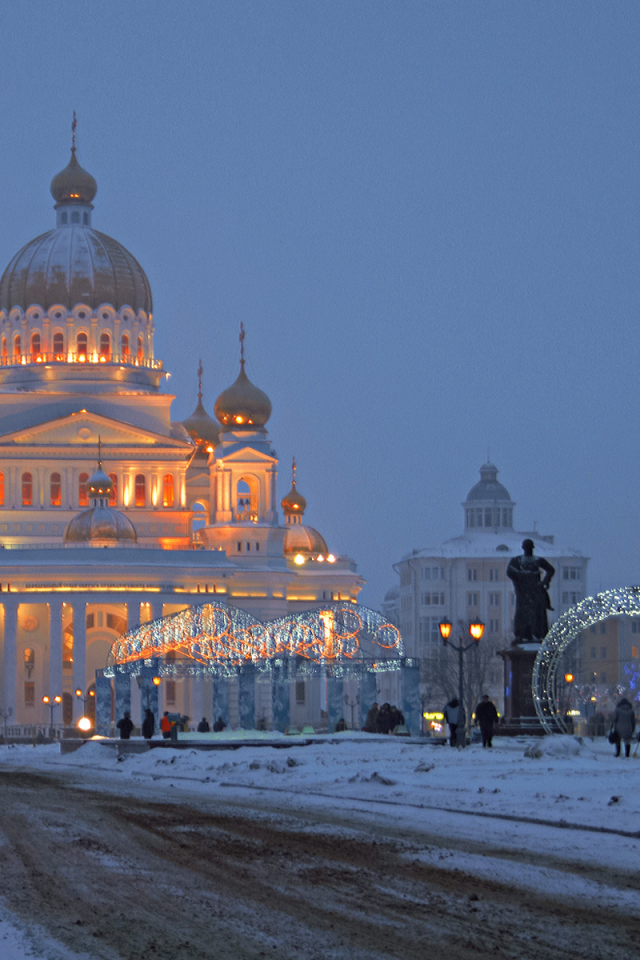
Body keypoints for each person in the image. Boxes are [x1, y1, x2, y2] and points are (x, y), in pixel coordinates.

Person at [507, 539, 555, 643]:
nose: (528, 549)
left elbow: (551, 570)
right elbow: (510, 571)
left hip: (535, 591)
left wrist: (544, 582)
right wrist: (524, 575)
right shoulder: (517, 560)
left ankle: (538, 635)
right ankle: (522, 635)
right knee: (522, 613)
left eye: (529, 547)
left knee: (538, 613)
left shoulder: (537, 560)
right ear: (523, 548)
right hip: (523, 592)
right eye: (526, 547)